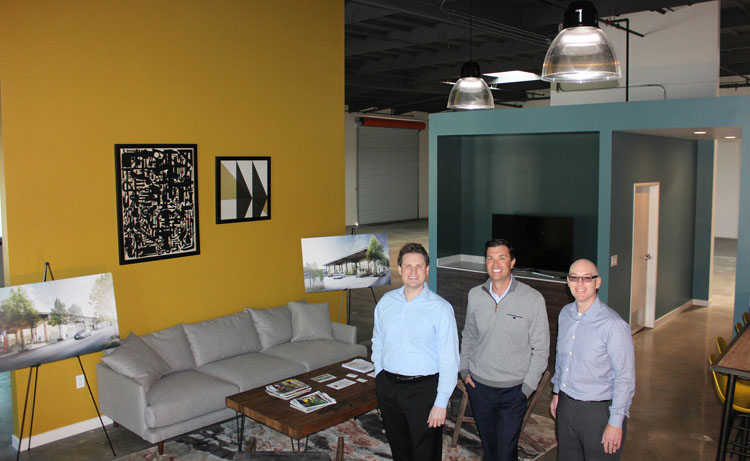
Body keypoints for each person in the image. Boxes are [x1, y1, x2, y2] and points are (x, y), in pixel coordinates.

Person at [460, 239, 550, 461]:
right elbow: (469, 335)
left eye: (502, 258)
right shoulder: (475, 295)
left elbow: (541, 348)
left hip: (514, 390)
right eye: (490, 258)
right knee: (489, 448)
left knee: (505, 452)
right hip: (479, 386)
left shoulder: (533, 299)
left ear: (512, 262)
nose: (495, 264)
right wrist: (464, 370)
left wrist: (527, 388)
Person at [371, 242, 459, 461]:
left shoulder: (441, 308)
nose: (413, 271)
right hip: (388, 386)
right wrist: (379, 374)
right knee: (399, 448)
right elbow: (378, 341)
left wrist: (441, 403)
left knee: (425, 453)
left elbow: (450, 360)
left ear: (427, 270)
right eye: (407, 266)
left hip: (423, 391)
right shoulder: (385, 302)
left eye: (419, 266)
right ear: (399, 269)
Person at [550, 258, 636, 460]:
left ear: (598, 282)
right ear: (568, 282)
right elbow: (562, 360)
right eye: (574, 278)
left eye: (587, 278)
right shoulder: (565, 314)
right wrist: (557, 393)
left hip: (598, 412)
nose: (580, 284)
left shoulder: (613, 325)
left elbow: (625, 378)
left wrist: (615, 422)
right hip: (567, 406)